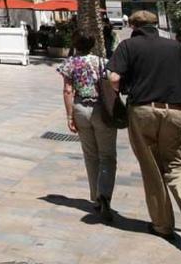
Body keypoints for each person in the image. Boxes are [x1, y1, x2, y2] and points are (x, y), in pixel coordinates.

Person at [108, 10, 181, 253]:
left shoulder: (128, 45)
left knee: (152, 168)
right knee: (178, 165)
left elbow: (114, 78)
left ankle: (162, 225)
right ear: (156, 25)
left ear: (133, 25)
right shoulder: (174, 47)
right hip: (176, 111)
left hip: (143, 111)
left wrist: (117, 95)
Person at [58, 34, 117, 221]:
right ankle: (105, 195)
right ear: (92, 45)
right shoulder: (102, 62)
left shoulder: (70, 63)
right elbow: (114, 81)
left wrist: (69, 116)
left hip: (80, 108)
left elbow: (68, 90)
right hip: (101, 109)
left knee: (90, 155)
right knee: (107, 156)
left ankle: (96, 197)